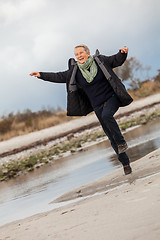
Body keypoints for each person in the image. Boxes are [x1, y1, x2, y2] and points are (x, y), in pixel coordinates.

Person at [30, 44, 133, 175]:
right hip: (97, 105)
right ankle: (125, 163)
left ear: (88, 53)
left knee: (108, 116)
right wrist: (41, 75)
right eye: (76, 54)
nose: (79, 56)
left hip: (111, 98)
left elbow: (116, 60)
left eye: (81, 53)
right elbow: (59, 76)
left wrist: (122, 53)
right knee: (111, 137)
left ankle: (122, 142)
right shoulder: (75, 72)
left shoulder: (100, 61)